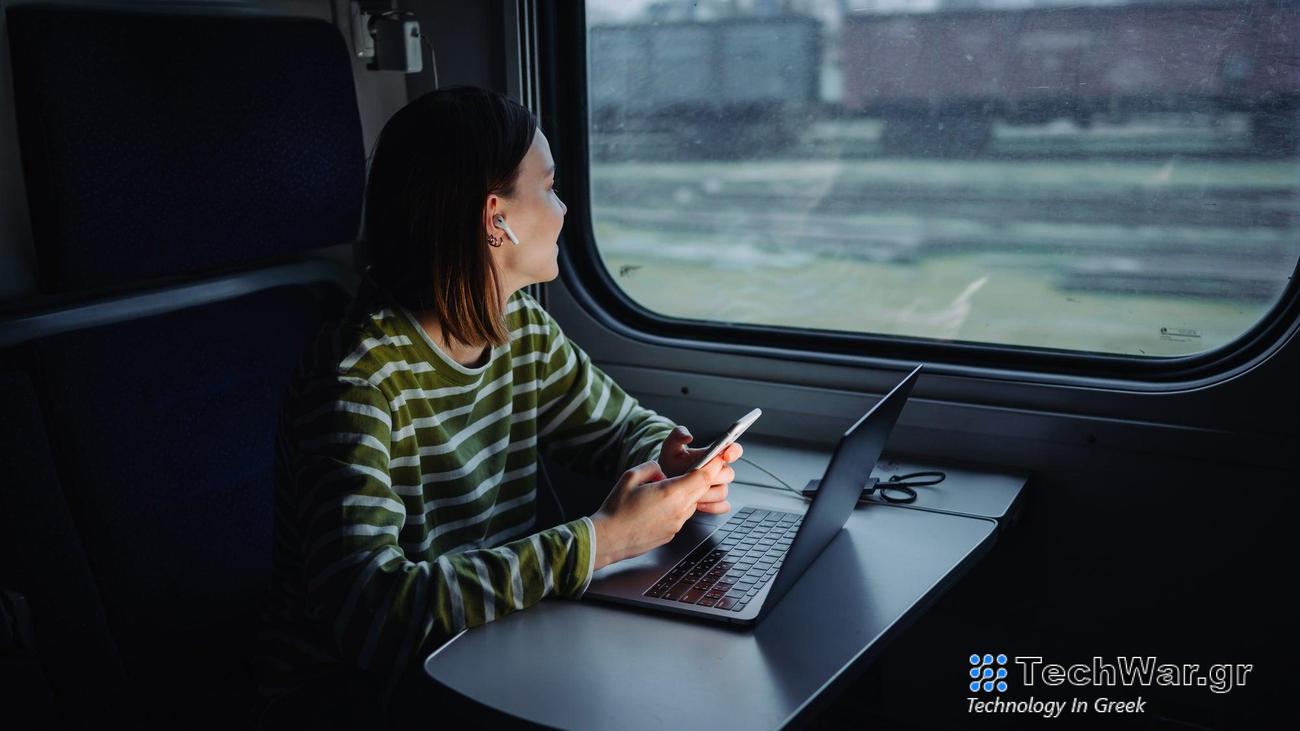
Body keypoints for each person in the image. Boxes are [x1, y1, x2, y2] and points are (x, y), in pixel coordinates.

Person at [251, 86, 743, 729]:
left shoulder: (520, 329)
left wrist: (671, 457)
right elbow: (371, 613)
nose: (563, 210)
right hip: (358, 693)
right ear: (495, 218)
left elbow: (620, 426)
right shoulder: (356, 378)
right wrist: (601, 541)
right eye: (550, 188)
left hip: (490, 643)